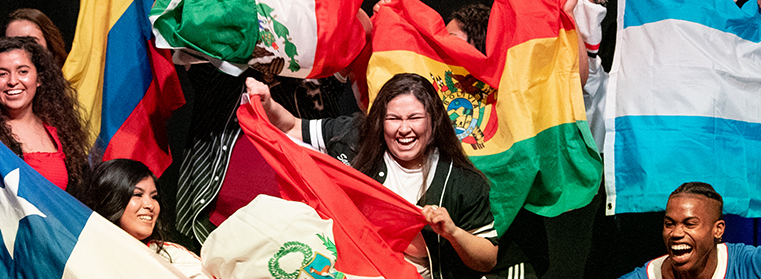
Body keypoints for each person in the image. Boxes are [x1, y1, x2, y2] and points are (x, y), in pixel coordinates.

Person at [248, 72, 498, 278]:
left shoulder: (463, 181)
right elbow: (291, 126)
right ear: (380, 121)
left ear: (434, 121)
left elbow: (487, 260)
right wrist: (267, 103)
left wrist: (453, 232)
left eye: (414, 118)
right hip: (342, 264)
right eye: (393, 118)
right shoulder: (355, 136)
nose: (404, 129)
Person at [619, 182, 761, 279]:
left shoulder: (747, 263)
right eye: (669, 224)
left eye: (690, 224)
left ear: (717, 230)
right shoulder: (646, 276)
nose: (676, 233)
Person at [0, 36, 88, 190]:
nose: (12, 81)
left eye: (23, 71)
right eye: (2, 74)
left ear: (39, 79)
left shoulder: (62, 132)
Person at [75, 159, 205, 278]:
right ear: (110, 200)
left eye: (154, 197)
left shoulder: (177, 260)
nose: (150, 205)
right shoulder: (80, 256)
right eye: (137, 195)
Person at [0, 8, 69, 68]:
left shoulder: (68, 77)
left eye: (32, 42)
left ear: (50, 47)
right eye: (13, 44)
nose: (23, 50)